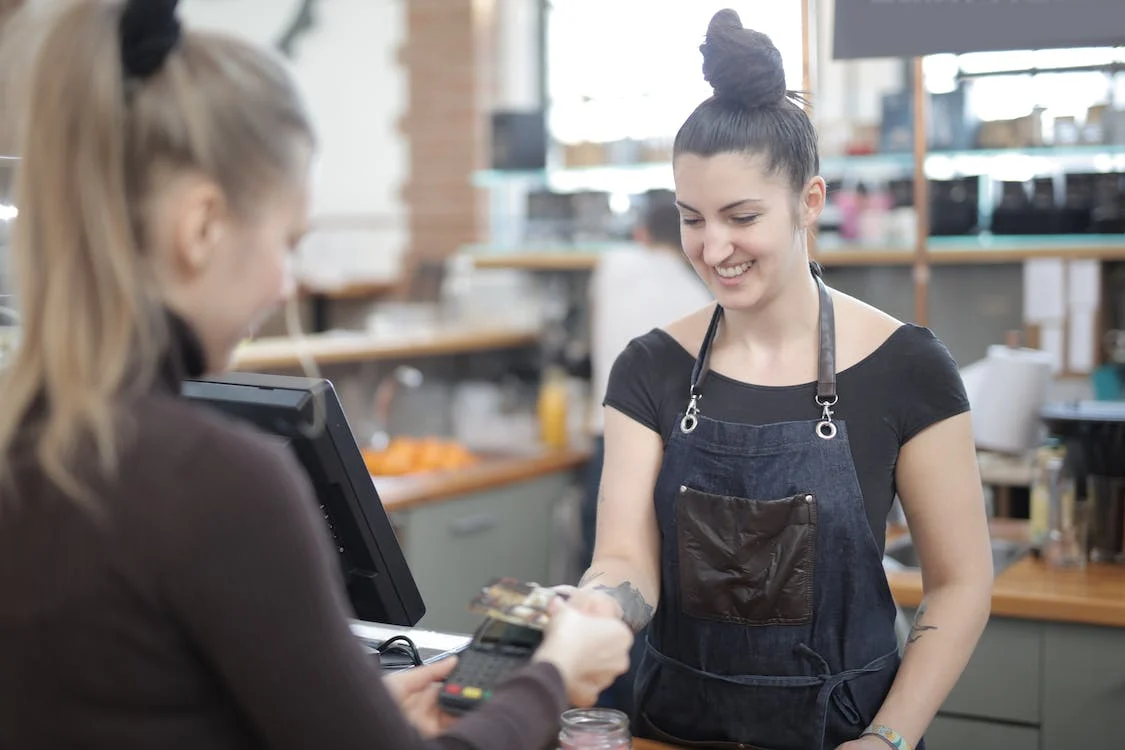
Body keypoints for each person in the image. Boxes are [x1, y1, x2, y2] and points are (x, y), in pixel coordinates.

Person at [0, 2, 632, 749]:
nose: (286, 285)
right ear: (201, 227)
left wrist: (352, 710)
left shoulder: (27, 442)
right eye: (288, 242)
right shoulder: (222, 482)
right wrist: (551, 675)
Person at [566, 9, 993, 750]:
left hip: (850, 732)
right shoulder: (649, 368)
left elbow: (959, 583)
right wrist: (599, 608)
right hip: (675, 731)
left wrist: (888, 739)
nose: (713, 247)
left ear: (809, 202)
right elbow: (626, 557)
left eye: (741, 216)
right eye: (691, 218)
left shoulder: (907, 368)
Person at [580, 189, 711, 714]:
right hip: (682, 457)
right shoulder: (697, 293)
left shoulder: (612, 267)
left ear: (639, 233)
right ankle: (643, 711)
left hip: (606, 445)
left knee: (609, 586)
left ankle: (605, 712)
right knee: (662, 597)